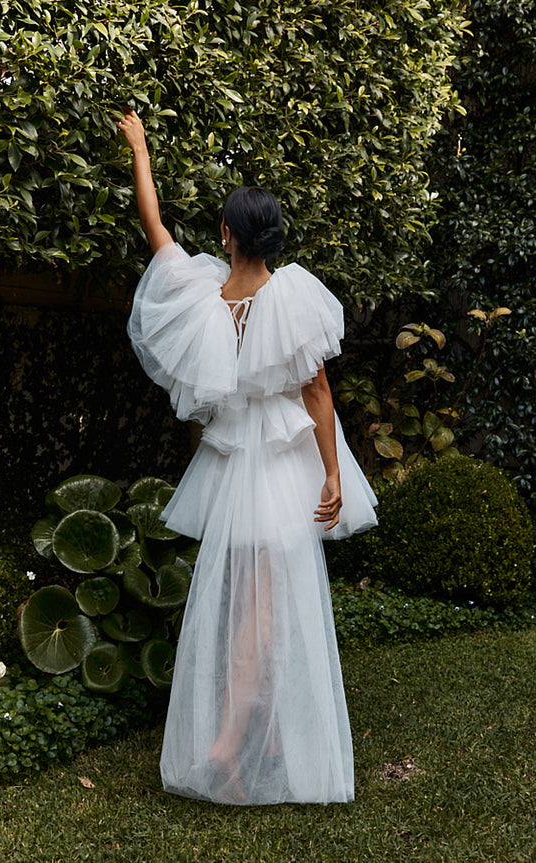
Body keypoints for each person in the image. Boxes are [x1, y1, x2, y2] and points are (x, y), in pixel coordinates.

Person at [118, 109, 378, 805]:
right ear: (272, 236)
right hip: (281, 465)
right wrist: (331, 471)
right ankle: (230, 742)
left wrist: (140, 149)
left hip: (232, 467)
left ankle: (264, 735)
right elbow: (316, 391)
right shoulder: (289, 294)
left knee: (251, 603)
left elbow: (154, 227)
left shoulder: (205, 296)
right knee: (265, 609)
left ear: (225, 234)